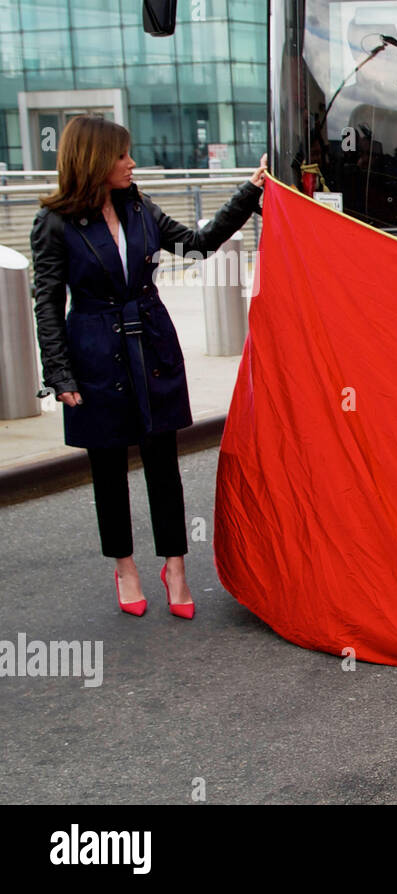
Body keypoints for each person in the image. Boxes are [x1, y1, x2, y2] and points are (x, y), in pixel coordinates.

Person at [30, 116, 267, 619]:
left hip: (152, 344)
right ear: (93, 159)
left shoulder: (139, 206)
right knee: (109, 469)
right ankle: (126, 568)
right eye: (121, 155)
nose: (131, 163)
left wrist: (249, 192)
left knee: (163, 463)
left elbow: (198, 244)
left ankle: (175, 568)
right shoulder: (54, 222)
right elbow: (47, 303)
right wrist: (60, 373)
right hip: (93, 351)